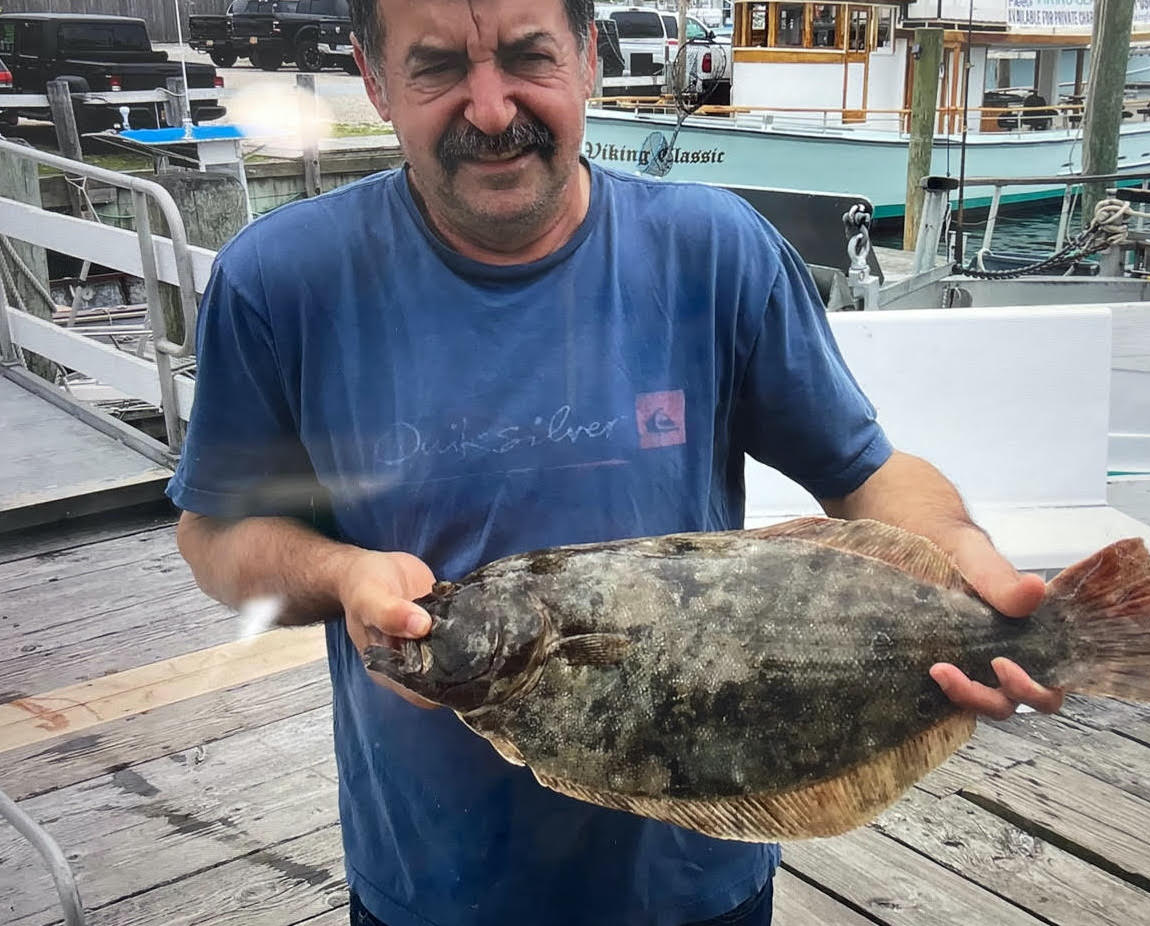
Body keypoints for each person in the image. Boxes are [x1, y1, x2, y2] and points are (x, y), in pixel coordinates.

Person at [167, 1, 1063, 924]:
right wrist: (343, 573)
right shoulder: (281, 281)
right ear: (375, 79)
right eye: (437, 68)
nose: (489, 108)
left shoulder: (715, 249)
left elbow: (861, 469)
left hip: (694, 876)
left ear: (590, 57)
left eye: (529, 57)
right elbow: (217, 536)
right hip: (436, 880)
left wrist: (963, 565)